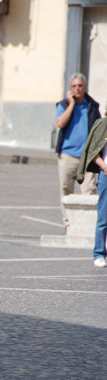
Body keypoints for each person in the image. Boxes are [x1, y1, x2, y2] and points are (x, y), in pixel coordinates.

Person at [55, 73, 101, 230]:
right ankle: (68, 224)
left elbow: (100, 130)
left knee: (89, 190)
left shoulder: (92, 106)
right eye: (74, 86)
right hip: (68, 155)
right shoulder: (63, 105)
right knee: (66, 190)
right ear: (70, 88)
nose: (77, 89)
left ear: (84, 87)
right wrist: (71, 105)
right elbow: (60, 123)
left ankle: (88, 225)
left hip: (88, 157)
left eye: (80, 85)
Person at [76, 114, 107, 267]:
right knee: (104, 216)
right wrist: (104, 167)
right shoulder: (102, 124)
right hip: (106, 175)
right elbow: (93, 151)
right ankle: (99, 253)